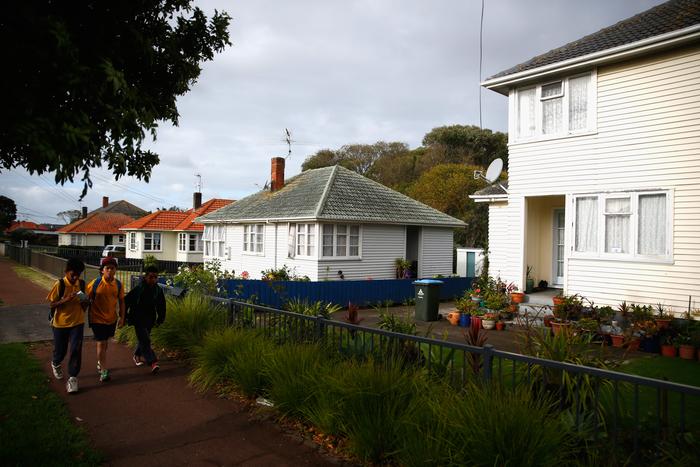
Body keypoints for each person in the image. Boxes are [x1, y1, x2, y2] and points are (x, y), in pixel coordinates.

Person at [47, 258, 89, 394]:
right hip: (60, 323)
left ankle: (73, 378)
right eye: (73, 274)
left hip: (77, 322)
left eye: (78, 274)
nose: (75, 277)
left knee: (76, 349)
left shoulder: (81, 284)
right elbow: (52, 304)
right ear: (66, 272)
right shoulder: (60, 284)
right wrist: (66, 299)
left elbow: (85, 306)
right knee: (61, 350)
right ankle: (55, 362)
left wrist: (85, 301)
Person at [86, 257, 125, 382]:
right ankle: (103, 370)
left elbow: (122, 302)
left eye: (112, 268)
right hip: (97, 318)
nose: (110, 270)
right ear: (102, 270)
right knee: (101, 342)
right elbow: (86, 299)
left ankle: (100, 361)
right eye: (107, 268)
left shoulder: (118, 284)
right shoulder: (95, 284)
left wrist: (122, 317)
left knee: (105, 343)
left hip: (111, 319)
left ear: (115, 270)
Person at [125, 265, 166, 374]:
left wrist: (161, 318)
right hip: (137, 318)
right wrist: (124, 316)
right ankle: (153, 362)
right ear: (146, 277)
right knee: (145, 340)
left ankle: (137, 354)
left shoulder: (158, 290)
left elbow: (161, 305)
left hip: (150, 319)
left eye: (155, 277)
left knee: (144, 338)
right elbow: (126, 300)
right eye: (151, 277)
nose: (153, 280)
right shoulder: (139, 289)